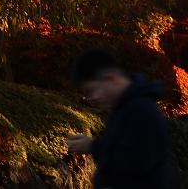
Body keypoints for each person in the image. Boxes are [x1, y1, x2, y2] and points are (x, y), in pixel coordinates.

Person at [68, 48, 182, 188]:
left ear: (110, 78)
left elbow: (136, 161)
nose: (93, 98)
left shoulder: (142, 109)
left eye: (92, 90)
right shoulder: (124, 109)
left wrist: (92, 146)